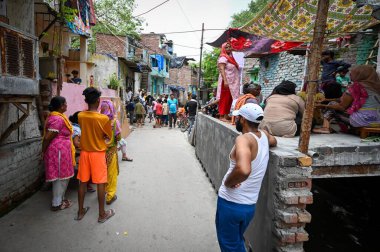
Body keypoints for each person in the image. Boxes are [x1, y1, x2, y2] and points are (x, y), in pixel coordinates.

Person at [216, 103, 277, 252]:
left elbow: (243, 170)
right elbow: (274, 141)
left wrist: (228, 182)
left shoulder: (243, 139)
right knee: (236, 240)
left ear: (242, 119)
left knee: (230, 245)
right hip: (249, 206)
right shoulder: (264, 135)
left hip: (231, 203)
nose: (236, 119)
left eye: (238, 117)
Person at [76, 87, 115, 223]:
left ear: (86, 100)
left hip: (85, 153)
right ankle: (101, 214)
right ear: (98, 100)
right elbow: (108, 137)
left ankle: (80, 211)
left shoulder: (81, 115)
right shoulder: (103, 118)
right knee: (100, 183)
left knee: (82, 182)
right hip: (98, 154)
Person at [313, 65, 380, 134]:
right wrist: (326, 100)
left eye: (352, 73)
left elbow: (341, 106)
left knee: (332, 105)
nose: (350, 75)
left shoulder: (355, 86)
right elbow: (342, 99)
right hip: (378, 120)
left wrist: (323, 106)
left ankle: (325, 128)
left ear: (360, 75)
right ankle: (351, 129)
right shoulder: (376, 87)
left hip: (362, 120)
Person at [42, 96, 75, 211]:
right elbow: (47, 138)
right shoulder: (58, 119)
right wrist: (43, 151)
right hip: (58, 151)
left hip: (62, 150)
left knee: (63, 177)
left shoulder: (59, 117)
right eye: (65, 103)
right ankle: (56, 204)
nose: (67, 105)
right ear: (61, 106)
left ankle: (60, 199)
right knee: (60, 178)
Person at [69, 111, 96, 193]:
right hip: (76, 154)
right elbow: (76, 143)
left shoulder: (74, 126)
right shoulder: (76, 129)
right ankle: (86, 184)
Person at [100, 100, 121, 205]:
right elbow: (119, 137)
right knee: (111, 174)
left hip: (99, 152)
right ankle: (110, 196)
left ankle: (102, 192)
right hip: (111, 151)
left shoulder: (98, 120)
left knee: (102, 173)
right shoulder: (114, 122)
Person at [217, 42, 240, 122]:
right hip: (226, 82)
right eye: (226, 47)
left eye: (230, 47)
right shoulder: (223, 58)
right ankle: (222, 115)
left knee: (230, 98)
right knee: (224, 98)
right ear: (223, 49)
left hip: (232, 82)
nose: (229, 48)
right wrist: (225, 81)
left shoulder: (231, 57)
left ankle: (226, 115)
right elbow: (222, 69)